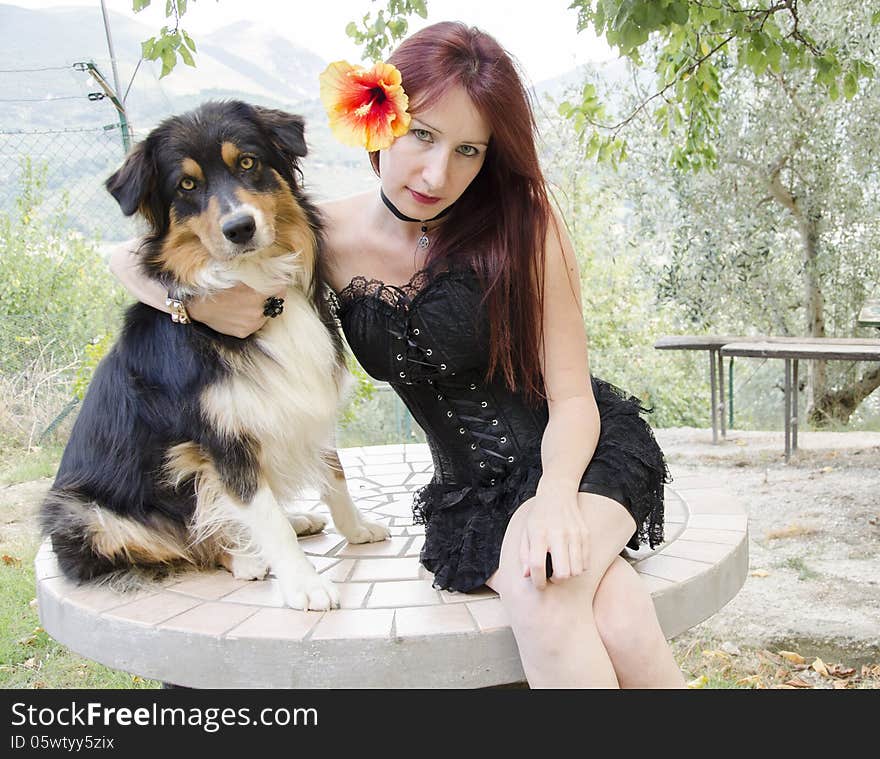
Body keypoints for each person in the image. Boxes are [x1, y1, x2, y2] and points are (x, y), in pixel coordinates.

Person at [110, 21, 686, 689]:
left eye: (470, 150)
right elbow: (129, 257)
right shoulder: (326, 237)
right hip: (468, 496)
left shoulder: (524, 222)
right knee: (615, 612)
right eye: (423, 136)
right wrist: (192, 305)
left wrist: (556, 499)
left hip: (577, 457)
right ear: (378, 121)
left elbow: (573, 399)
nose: (439, 173)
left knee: (549, 591)